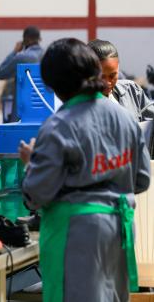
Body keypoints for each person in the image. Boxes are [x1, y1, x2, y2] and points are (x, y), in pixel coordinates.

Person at [19, 38, 150, 302]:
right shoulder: (126, 119)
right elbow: (142, 179)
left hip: (77, 235)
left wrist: (33, 163)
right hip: (119, 231)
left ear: (55, 85)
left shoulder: (59, 126)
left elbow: (36, 195)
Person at [88, 39, 154, 121]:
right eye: (101, 77)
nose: (108, 82)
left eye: (112, 75)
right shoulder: (81, 107)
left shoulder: (132, 91)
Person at [0, 26, 44, 122]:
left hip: (23, 113)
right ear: (39, 39)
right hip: (44, 112)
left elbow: (1, 73)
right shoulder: (48, 55)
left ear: (25, 40)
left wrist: (14, 51)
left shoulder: (22, 57)